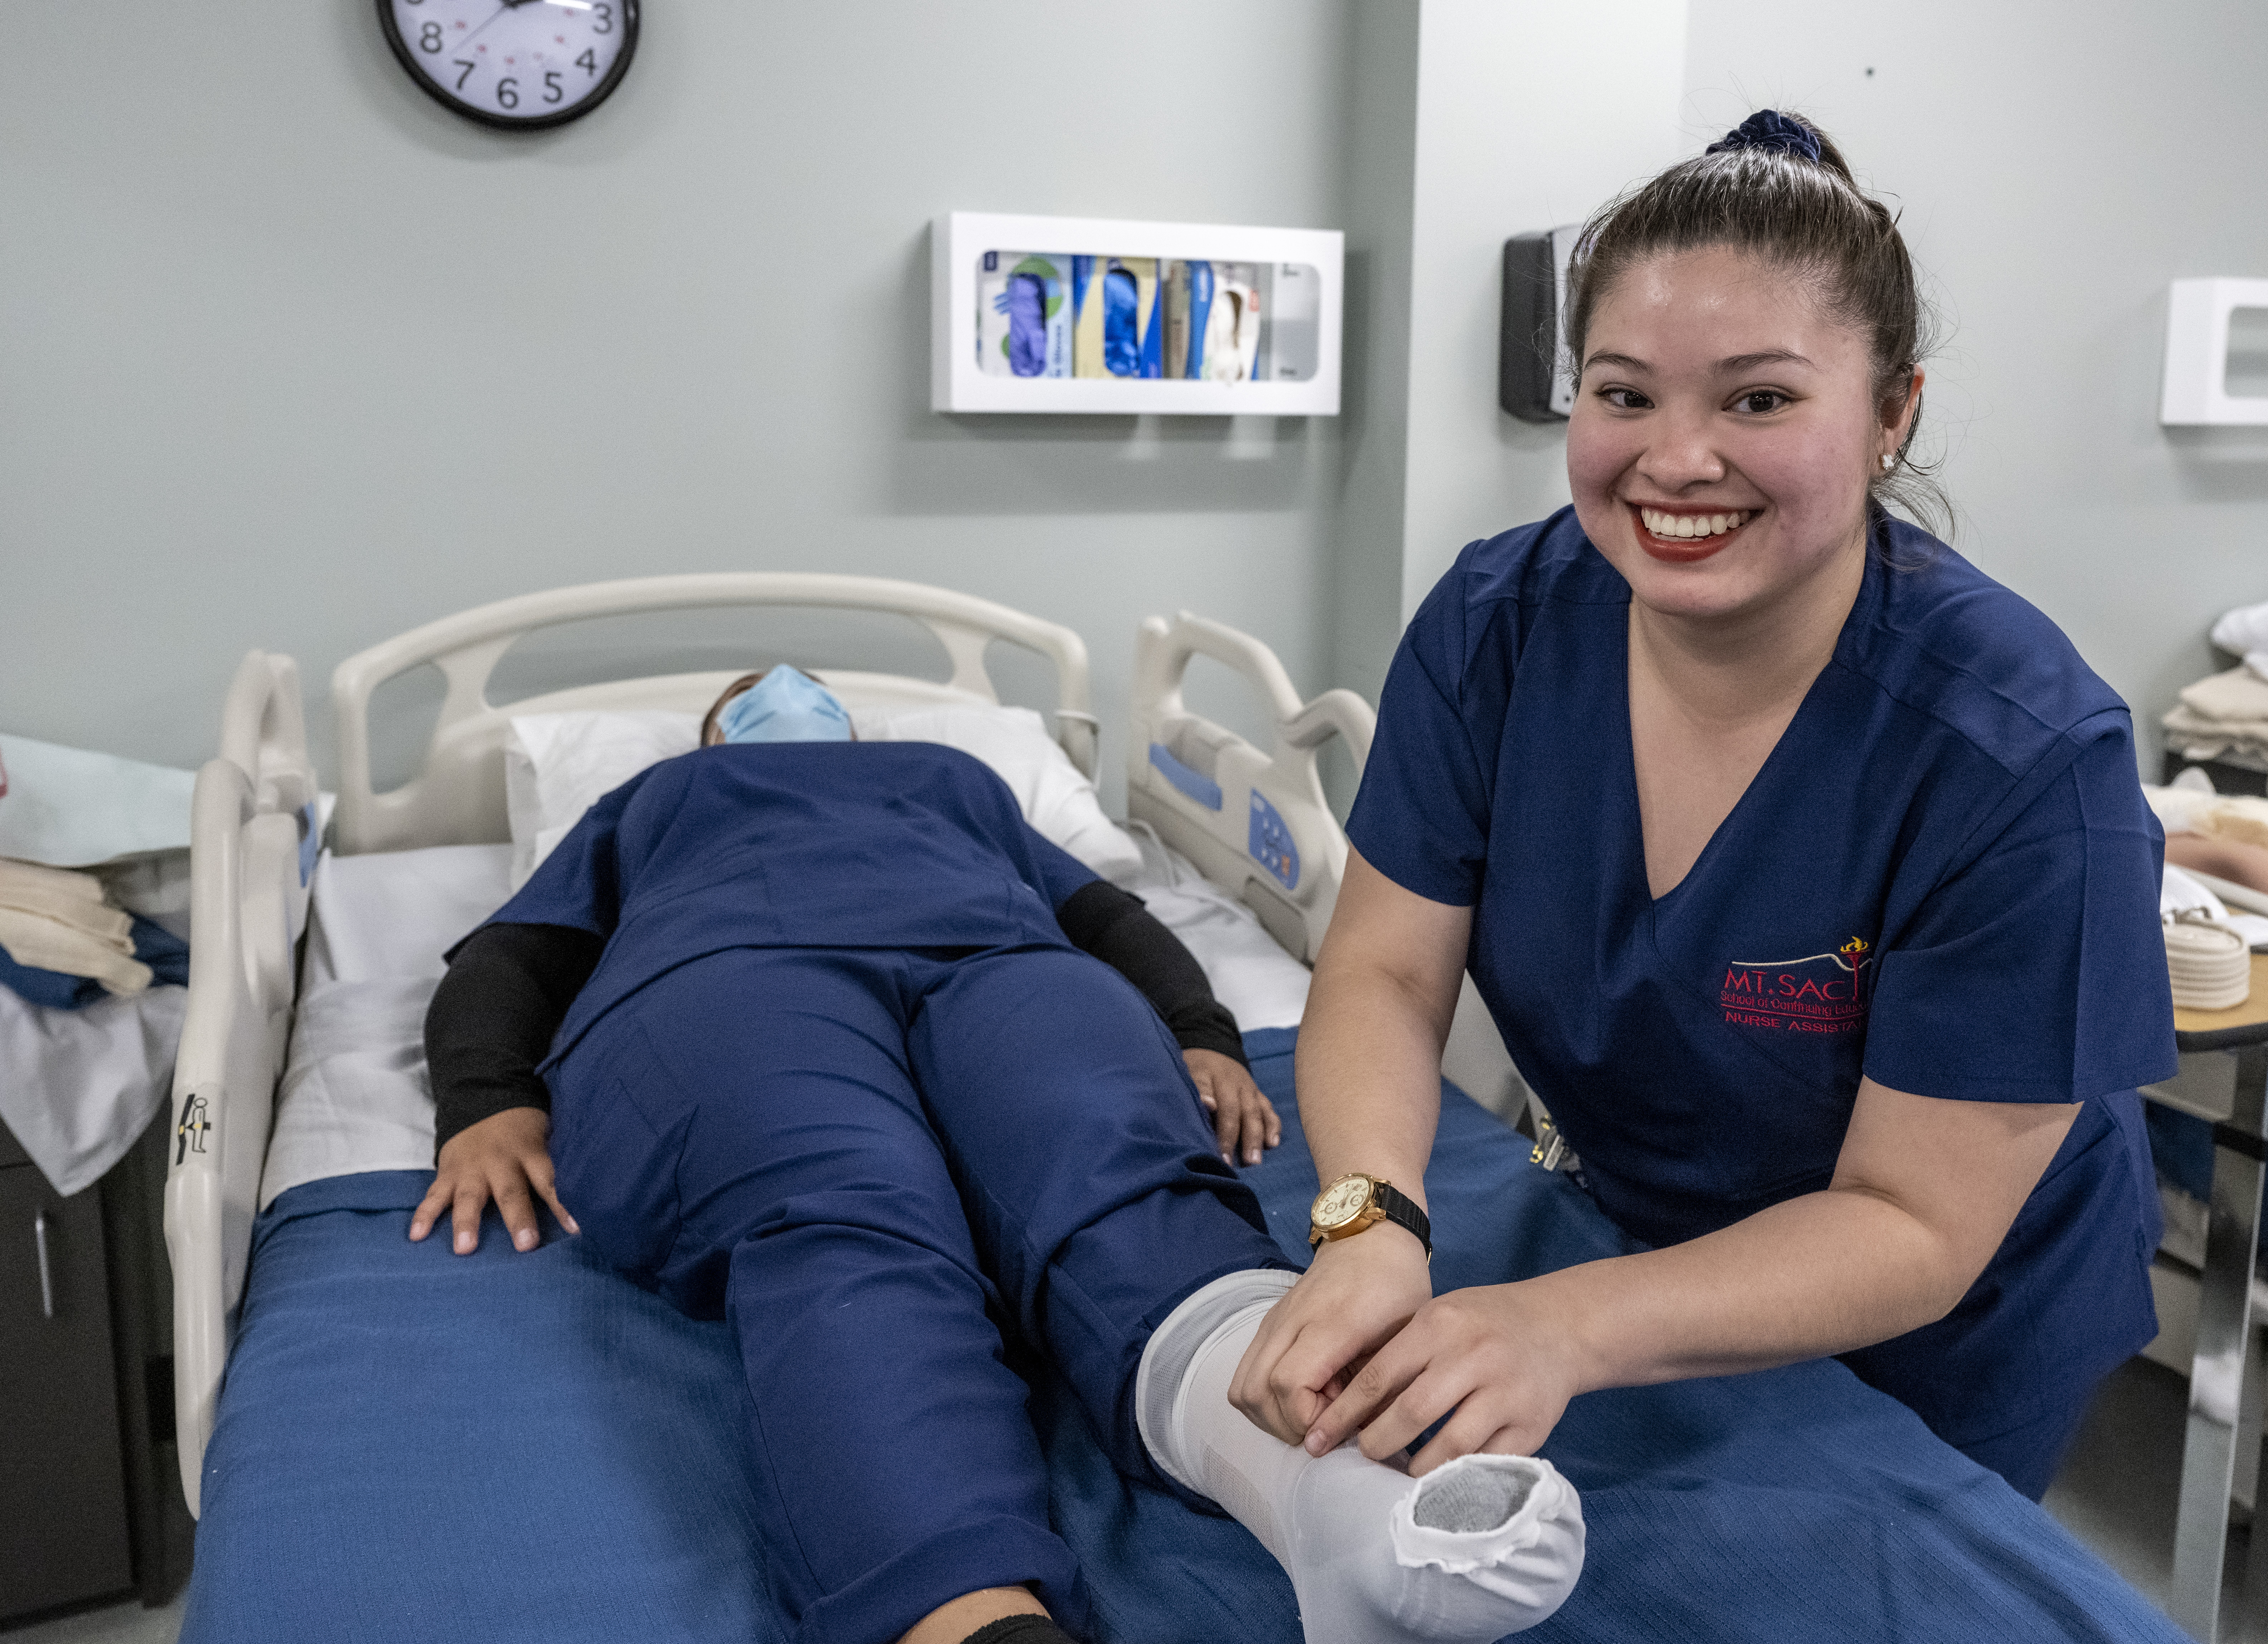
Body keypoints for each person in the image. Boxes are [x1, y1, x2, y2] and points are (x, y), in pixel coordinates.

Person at [1233, 110, 2177, 1504]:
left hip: (1937, 1326)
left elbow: (1913, 1221)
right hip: (1630, 1234)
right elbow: (1380, 969)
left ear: (1891, 413)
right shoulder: (1496, 628)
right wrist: (1368, 1217)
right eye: (1622, 395)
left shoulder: (2018, 757)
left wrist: (1564, 1325)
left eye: (1757, 400)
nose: (1673, 462)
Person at [409, 663, 1586, 1644]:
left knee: (1122, 1176)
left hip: (1005, 966)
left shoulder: (950, 776)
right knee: (841, 1206)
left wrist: (1197, 1031)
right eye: (755, 698)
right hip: (730, 975)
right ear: (716, 735)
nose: (788, 699)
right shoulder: (659, 792)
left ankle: (1334, 1504)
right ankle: (970, 1614)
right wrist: (484, 1101)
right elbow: (517, 955)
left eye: (808, 693)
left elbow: (1109, 920)